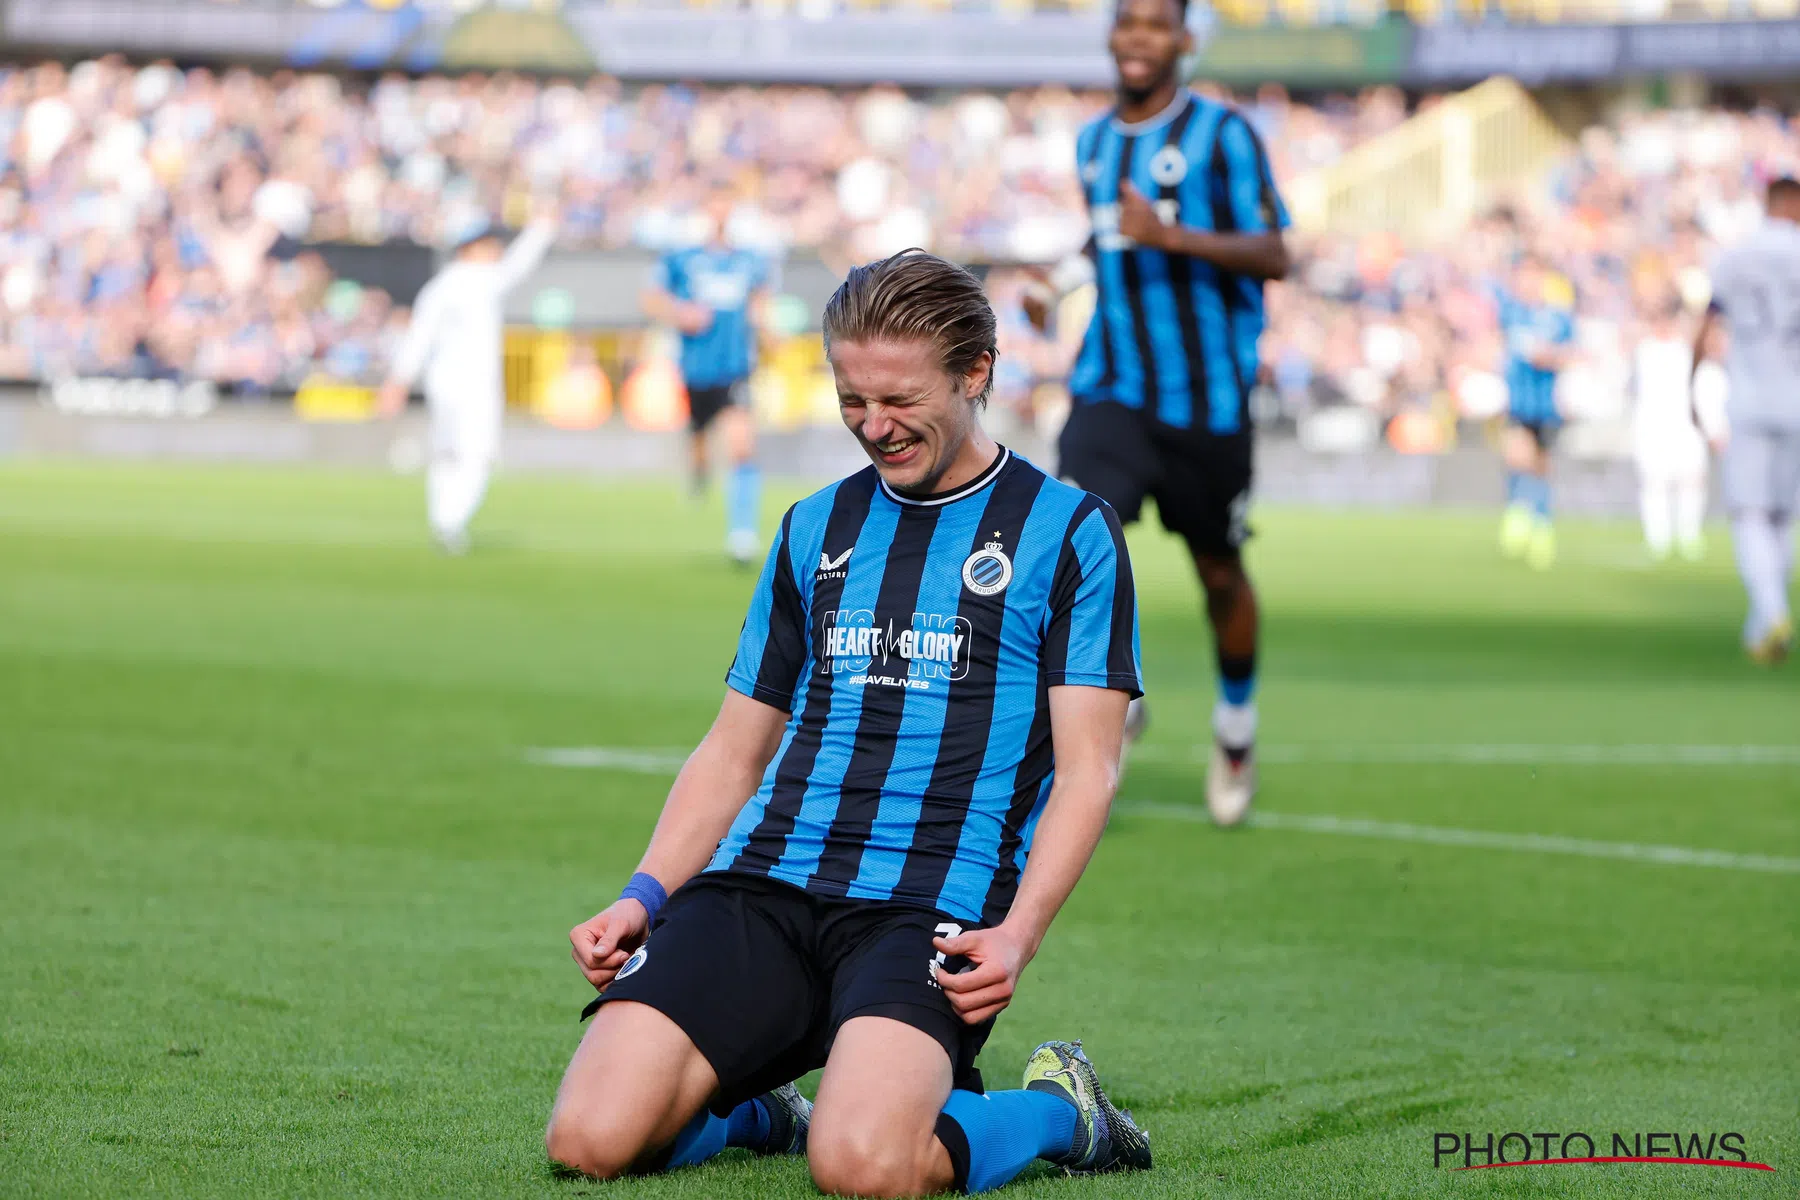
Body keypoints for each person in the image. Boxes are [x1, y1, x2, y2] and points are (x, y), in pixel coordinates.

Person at [545, 251, 1152, 1196]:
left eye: (900, 399)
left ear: (976, 372)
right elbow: (733, 748)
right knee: (588, 1141)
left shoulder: (1068, 532)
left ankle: (1062, 1114)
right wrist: (644, 895)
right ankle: (758, 1111)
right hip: (765, 882)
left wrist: (1018, 936)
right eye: (850, 398)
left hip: (928, 907)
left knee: (864, 1165)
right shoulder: (811, 528)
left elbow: (1088, 773)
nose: (873, 425)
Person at [1027, 0, 1290, 826]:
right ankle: (1119, 693)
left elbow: (1277, 249)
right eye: (1126, 22)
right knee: (1076, 535)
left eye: (1155, 24)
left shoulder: (1225, 135)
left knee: (1219, 574)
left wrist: (1173, 237)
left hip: (1207, 403)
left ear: (1182, 38)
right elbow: (1106, 238)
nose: (1138, 38)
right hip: (1112, 386)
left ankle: (1236, 730)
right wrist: (1057, 282)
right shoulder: (1094, 141)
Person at [378, 206, 557, 554]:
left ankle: (444, 521)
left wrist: (398, 381)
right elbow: (517, 267)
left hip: (443, 383)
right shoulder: (478, 280)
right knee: (475, 454)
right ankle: (450, 523)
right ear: (471, 248)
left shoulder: (440, 286)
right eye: (489, 243)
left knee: (448, 453)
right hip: (472, 386)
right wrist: (541, 229)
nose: (496, 250)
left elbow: (418, 338)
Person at [1692, 176, 1800, 664]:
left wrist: (1691, 388)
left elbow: (1706, 325)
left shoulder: (1735, 256)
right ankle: (1765, 620)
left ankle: (1770, 610)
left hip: (1751, 400)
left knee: (1750, 513)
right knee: (1781, 515)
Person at [642, 188, 772, 565]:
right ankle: (699, 472)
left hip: (735, 369)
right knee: (699, 442)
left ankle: (742, 536)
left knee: (742, 447)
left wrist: (767, 333)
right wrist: (680, 313)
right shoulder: (682, 260)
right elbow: (651, 299)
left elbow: (760, 304)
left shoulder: (750, 261)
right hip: (696, 369)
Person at [1494, 254, 1575, 571]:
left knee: (1540, 464)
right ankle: (1518, 511)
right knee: (1516, 455)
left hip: (1546, 402)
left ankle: (1540, 523)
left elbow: (1571, 353)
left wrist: (1550, 355)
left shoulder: (1558, 317)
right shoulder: (1511, 312)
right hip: (1519, 400)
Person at [1631, 300, 1726, 563]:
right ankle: (1657, 539)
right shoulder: (1644, 351)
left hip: (1685, 427)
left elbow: (1706, 386)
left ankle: (1688, 536)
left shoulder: (1687, 352)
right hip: (1652, 426)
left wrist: (1713, 426)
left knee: (1690, 481)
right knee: (1654, 483)